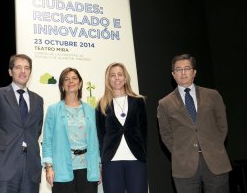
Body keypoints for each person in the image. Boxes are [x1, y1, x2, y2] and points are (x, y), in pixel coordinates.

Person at [157, 53, 232, 193]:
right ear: (173, 74)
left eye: (187, 68)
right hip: (184, 165)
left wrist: (213, 146)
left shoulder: (212, 95)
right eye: (178, 69)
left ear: (194, 72)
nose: (183, 72)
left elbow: (222, 126)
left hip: (215, 161)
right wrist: (180, 152)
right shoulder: (164, 103)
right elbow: (165, 134)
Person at [0, 54, 44, 193]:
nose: (23, 71)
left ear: (30, 72)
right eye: (18, 67)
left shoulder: (38, 100)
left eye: (27, 68)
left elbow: (36, 130)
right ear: (10, 71)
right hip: (3, 165)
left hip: (30, 167)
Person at [41, 67, 100, 193]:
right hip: (62, 169)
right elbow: (47, 142)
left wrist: (99, 166)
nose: (71, 81)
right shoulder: (53, 110)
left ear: (80, 83)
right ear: (62, 85)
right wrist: (49, 168)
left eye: (74, 78)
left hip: (88, 169)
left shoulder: (90, 110)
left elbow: (96, 141)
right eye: (66, 79)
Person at [96, 62, 148, 193]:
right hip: (111, 161)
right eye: (112, 75)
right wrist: (102, 161)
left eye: (120, 74)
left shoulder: (138, 101)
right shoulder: (101, 104)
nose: (117, 78)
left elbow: (144, 132)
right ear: (108, 80)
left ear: (125, 78)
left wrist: (142, 155)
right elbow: (101, 136)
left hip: (135, 160)